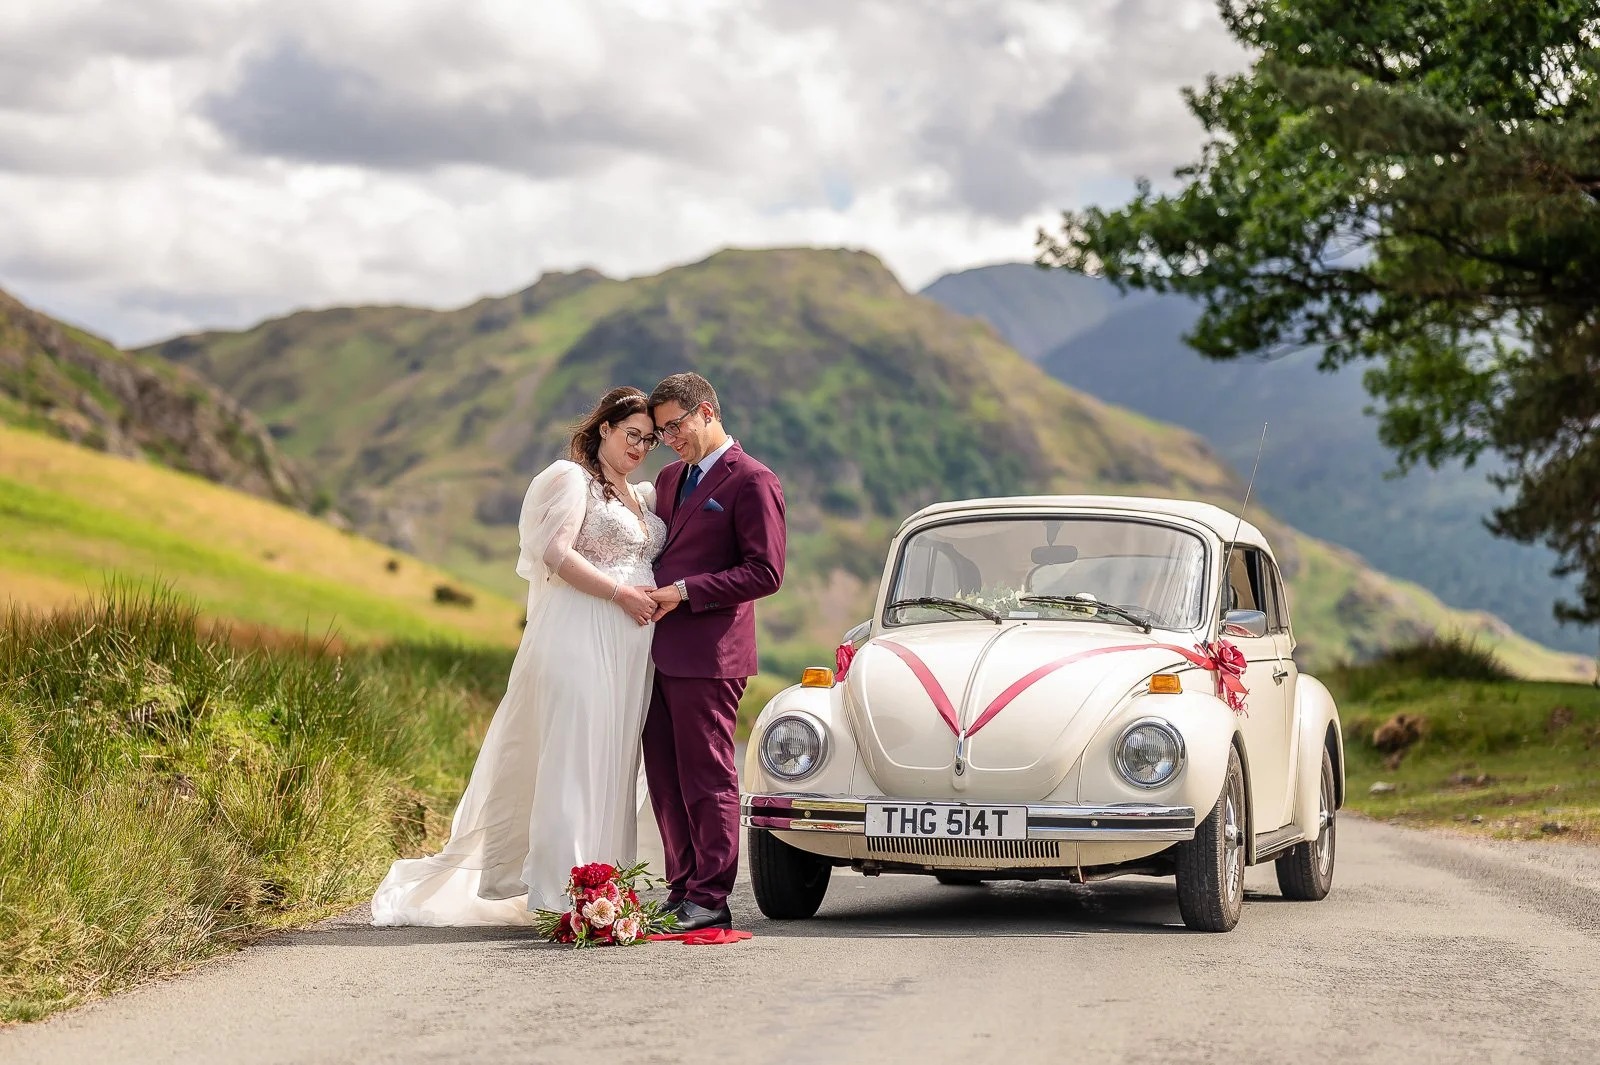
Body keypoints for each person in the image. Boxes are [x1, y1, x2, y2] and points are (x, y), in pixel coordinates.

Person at [370, 387, 665, 926]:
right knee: (573, 755)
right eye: (632, 435)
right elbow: (554, 553)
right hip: (582, 632)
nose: (641, 446)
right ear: (604, 428)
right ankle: (560, 891)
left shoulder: (638, 495)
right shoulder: (573, 480)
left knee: (610, 761)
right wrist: (620, 594)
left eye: (649, 439)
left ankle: (604, 887)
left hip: (629, 650)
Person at [643, 372, 787, 931]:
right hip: (653, 653)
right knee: (665, 776)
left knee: (708, 776)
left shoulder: (752, 480)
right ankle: (681, 888)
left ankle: (711, 895)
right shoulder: (667, 477)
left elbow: (766, 572)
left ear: (707, 411)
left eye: (675, 426)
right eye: (660, 432)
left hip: (710, 656)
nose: (670, 438)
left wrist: (684, 592)